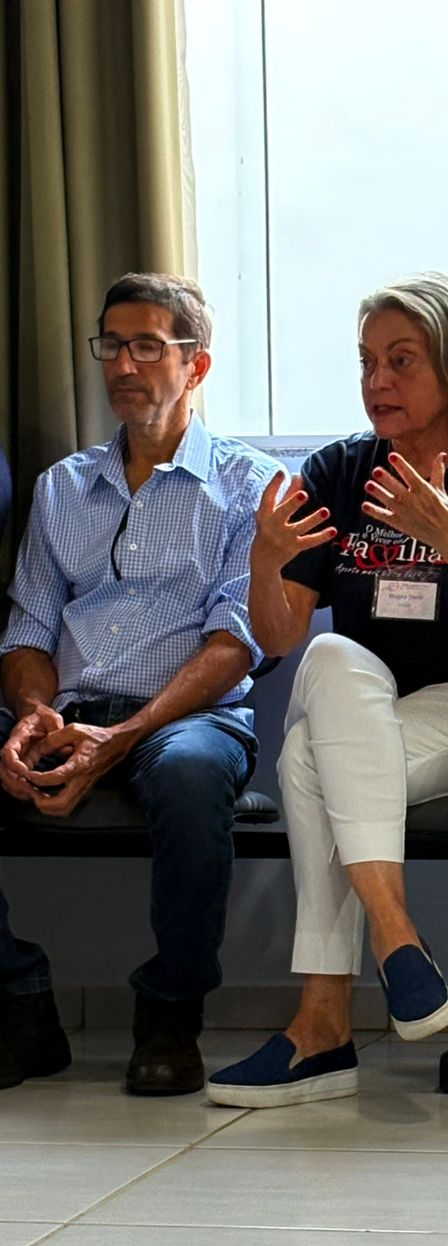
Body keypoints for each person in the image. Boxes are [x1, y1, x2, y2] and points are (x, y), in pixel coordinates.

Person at [207, 272, 448, 1108]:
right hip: (371, 707)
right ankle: (396, 934)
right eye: (367, 361)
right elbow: (280, 637)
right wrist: (264, 562)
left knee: (307, 761)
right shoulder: (341, 469)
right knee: (331, 659)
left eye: (401, 360)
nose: (378, 381)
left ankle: (323, 1025)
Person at [0, 272, 280, 1096]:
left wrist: (121, 737)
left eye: (148, 347)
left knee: (191, 774)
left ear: (197, 366)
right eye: (112, 346)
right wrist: (32, 715)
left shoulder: (250, 486)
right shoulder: (62, 487)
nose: (123, 365)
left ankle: (170, 1015)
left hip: (189, 720)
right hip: (68, 709)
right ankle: (18, 1000)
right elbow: (29, 627)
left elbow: (235, 643)